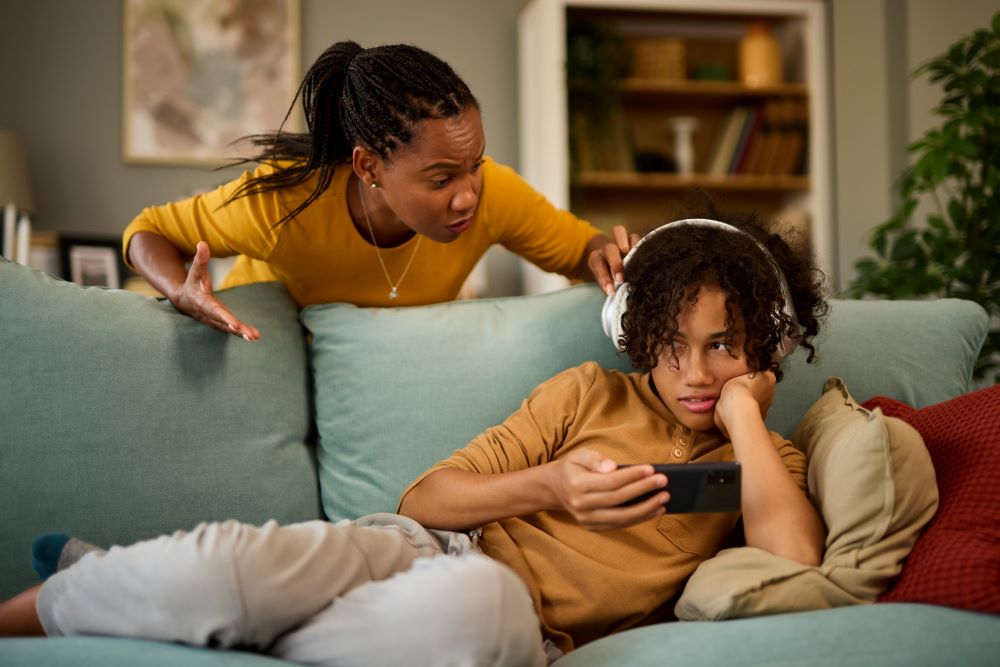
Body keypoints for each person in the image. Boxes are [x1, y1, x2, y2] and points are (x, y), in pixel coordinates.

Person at [1, 206, 828, 665]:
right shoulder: (585, 392)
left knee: (470, 611)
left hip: (511, 624)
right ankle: (60, 601)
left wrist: (745, 414)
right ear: (635, 329)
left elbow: (796, 563)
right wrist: (554, 485)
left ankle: (150, 592)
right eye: (673, 343)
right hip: (418, 545)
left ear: (770, 345)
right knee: (255, 559)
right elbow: (426, 498)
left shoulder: (763, 457)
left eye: (722, 346)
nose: (691, 373)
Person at [123, 40, 633, 341]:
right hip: (274, 366)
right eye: (440, 179)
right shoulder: (281, 204)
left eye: (474, 165)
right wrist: (180, 292)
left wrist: (606, 256)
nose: (468, 196)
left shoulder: (492, 192)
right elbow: (147, 230)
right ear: (368, 166)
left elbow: (582, 250)